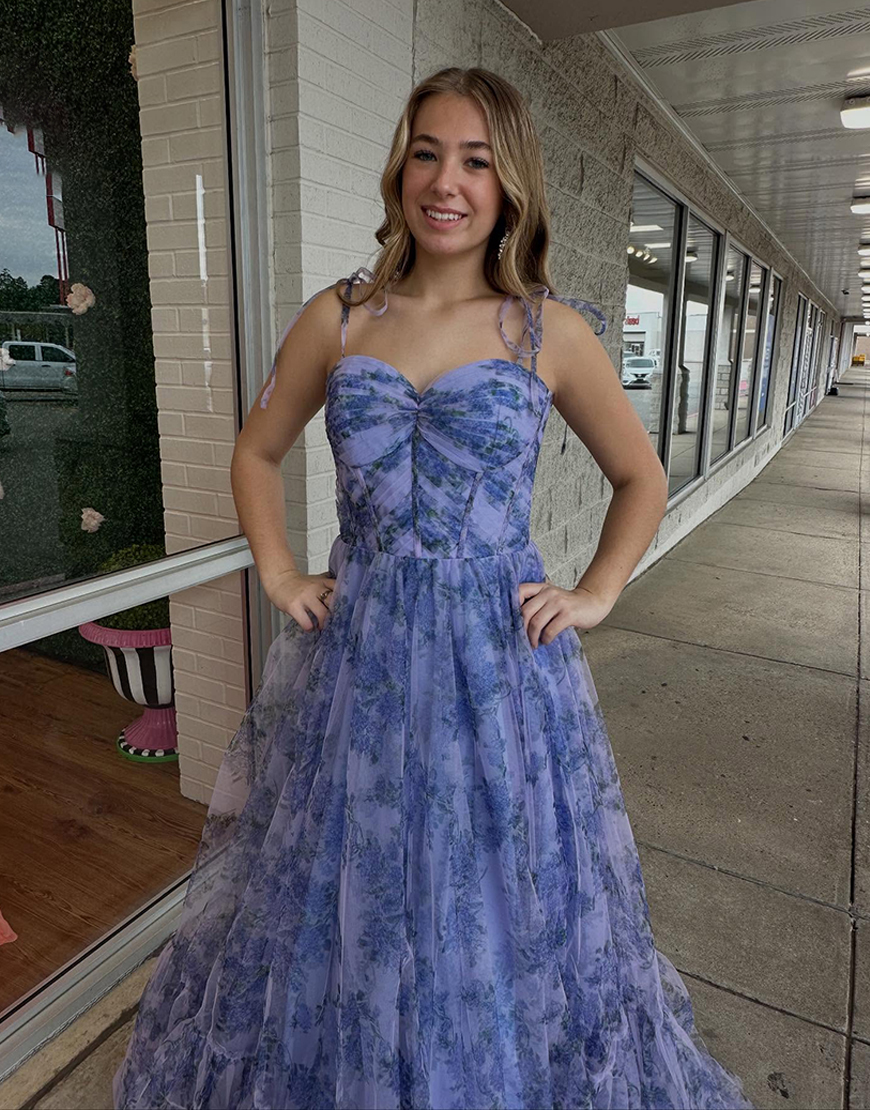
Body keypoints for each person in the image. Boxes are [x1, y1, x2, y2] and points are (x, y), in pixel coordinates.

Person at [113, 66, 755, 1110]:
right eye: (426, 153)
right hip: (358, 664)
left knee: (488, 888)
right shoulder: (341, 317)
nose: (446, 182)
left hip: (497, 669)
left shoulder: (548, 331)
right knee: (354, 881)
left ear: (510, 184)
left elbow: (642, 477)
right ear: (399, 170)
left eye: (475, 160)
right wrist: (280, 570)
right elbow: (256, 451)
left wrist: (595, 593)